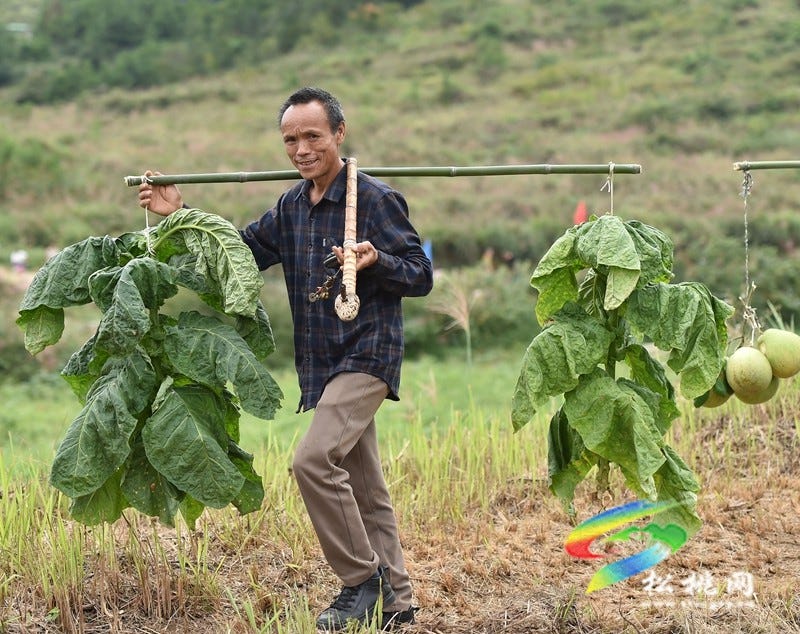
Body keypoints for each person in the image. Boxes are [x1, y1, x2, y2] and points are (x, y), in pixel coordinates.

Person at [137, 87, 433, 631]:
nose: (301, 149)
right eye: (291, 139)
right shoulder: (291, 207)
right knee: (363, 485)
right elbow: (239, 253)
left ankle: (358, 582)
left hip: (367, 353)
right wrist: (180, 214)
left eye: (313, 136)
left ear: (339, 135)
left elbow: (420, 272)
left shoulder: (373, 199)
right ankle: (399, 602)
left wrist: (376, 260)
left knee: (312, 462)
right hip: (322, 363)